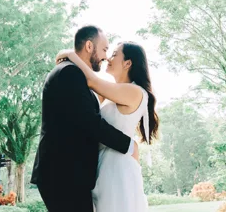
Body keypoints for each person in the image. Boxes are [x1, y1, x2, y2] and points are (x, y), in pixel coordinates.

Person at [31, 26, 140, 212]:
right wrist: (129, 145)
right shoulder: (69, 73)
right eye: (105, 50)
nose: (106, 56)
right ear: (89, 46)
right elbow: (90, 122)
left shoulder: (74, 74)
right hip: (63, 175)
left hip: (68, 174)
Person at [55, 39, 159, 212]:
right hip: (105, 166)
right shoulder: (114, 93)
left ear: (128, 63)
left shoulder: (134, 91)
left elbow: (91, 81)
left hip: (118, 169)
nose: (108, 58)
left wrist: (70, 54)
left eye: (114, 54)